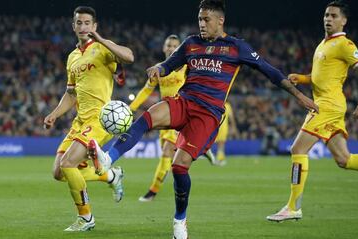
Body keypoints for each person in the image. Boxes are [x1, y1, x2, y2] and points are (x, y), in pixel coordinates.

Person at [87, 0, 318, 238]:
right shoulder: (191, 44)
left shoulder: (236, 47)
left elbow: (270, 71)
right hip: (185, 101)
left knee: (178, 167)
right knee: (146, 118)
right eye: (199, 19)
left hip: (208, 113)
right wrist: (158, 68)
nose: (202, 24)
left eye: (206, 19)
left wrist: (299, 96)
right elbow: (169, 65)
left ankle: (179, 220)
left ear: (220, 20)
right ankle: (108, 158)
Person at [266, 1, 358, 222]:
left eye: (333, 16)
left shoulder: (344, 43)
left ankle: (293, 207)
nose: (328, 19)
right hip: (327, 104)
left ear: (343, 20)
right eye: (326, 15)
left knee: (298, 148)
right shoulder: (322, 44)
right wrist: (303, 78)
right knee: (344, 159)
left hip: (328, 106)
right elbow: (321, 79)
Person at [43, 6, 134, 231]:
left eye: (87, 23)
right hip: (80, 121)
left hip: (100, 118)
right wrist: (54, 114)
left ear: (94, 26)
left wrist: (102, 40)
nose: (83, 27)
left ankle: (86, 218)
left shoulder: (102, 48)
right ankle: (110, 176)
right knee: (58, 172)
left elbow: (129, 56)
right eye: (79, 23)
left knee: (68, 163)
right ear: (73, 26)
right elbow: (71, 93)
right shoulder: (72, 57)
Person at [130, 35, 216, 202]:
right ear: (163, 47)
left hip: (182, 112)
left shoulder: (185, 67)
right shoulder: (159, 69)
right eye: (168, 45)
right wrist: (131, 108)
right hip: (166, 114)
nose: (171, 48)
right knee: (170, 153)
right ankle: (202, 148)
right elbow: (146, 90)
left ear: (179, 48)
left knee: (167, 152)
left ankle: (152, 191)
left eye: (175, 46)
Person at [213, 101, 238, 166]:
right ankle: (219, 160)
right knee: (221, 144)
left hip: (215, 125)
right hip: (223, 127)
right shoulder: (227, 105)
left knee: (217, 144)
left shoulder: (216, 102)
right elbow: (231, 118)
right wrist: (234, 127)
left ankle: (219, 159)